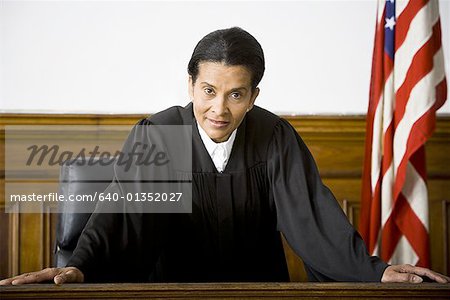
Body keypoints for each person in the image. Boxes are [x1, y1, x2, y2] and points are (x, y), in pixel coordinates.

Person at [1, 27, 449, 285]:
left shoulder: (274, 137)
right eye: (209, 91)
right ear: (191, 86)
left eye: (236, 94)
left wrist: (378, 273)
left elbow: (314, 222)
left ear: (253, 95)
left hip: (260, 295)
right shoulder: (160, 136)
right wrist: (80, 268)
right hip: (170, 296)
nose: (220, 109)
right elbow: (123, 217)